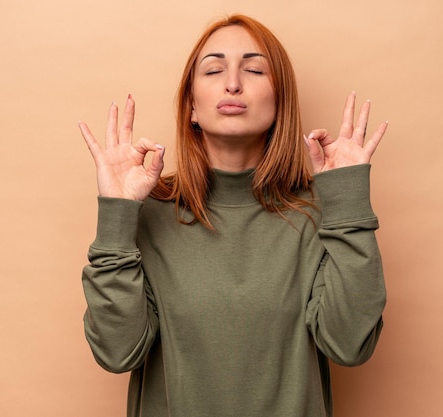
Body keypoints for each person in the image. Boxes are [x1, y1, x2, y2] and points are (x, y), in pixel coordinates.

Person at [78, 14, 388, 417]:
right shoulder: (149, 211)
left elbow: (350, 345)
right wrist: (118, 215)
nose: (233, 83)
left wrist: (347, 202)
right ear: (191, 105)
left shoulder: (321, 211)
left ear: (281, 104)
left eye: (255, 69)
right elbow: (117, 352)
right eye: (213, 69)